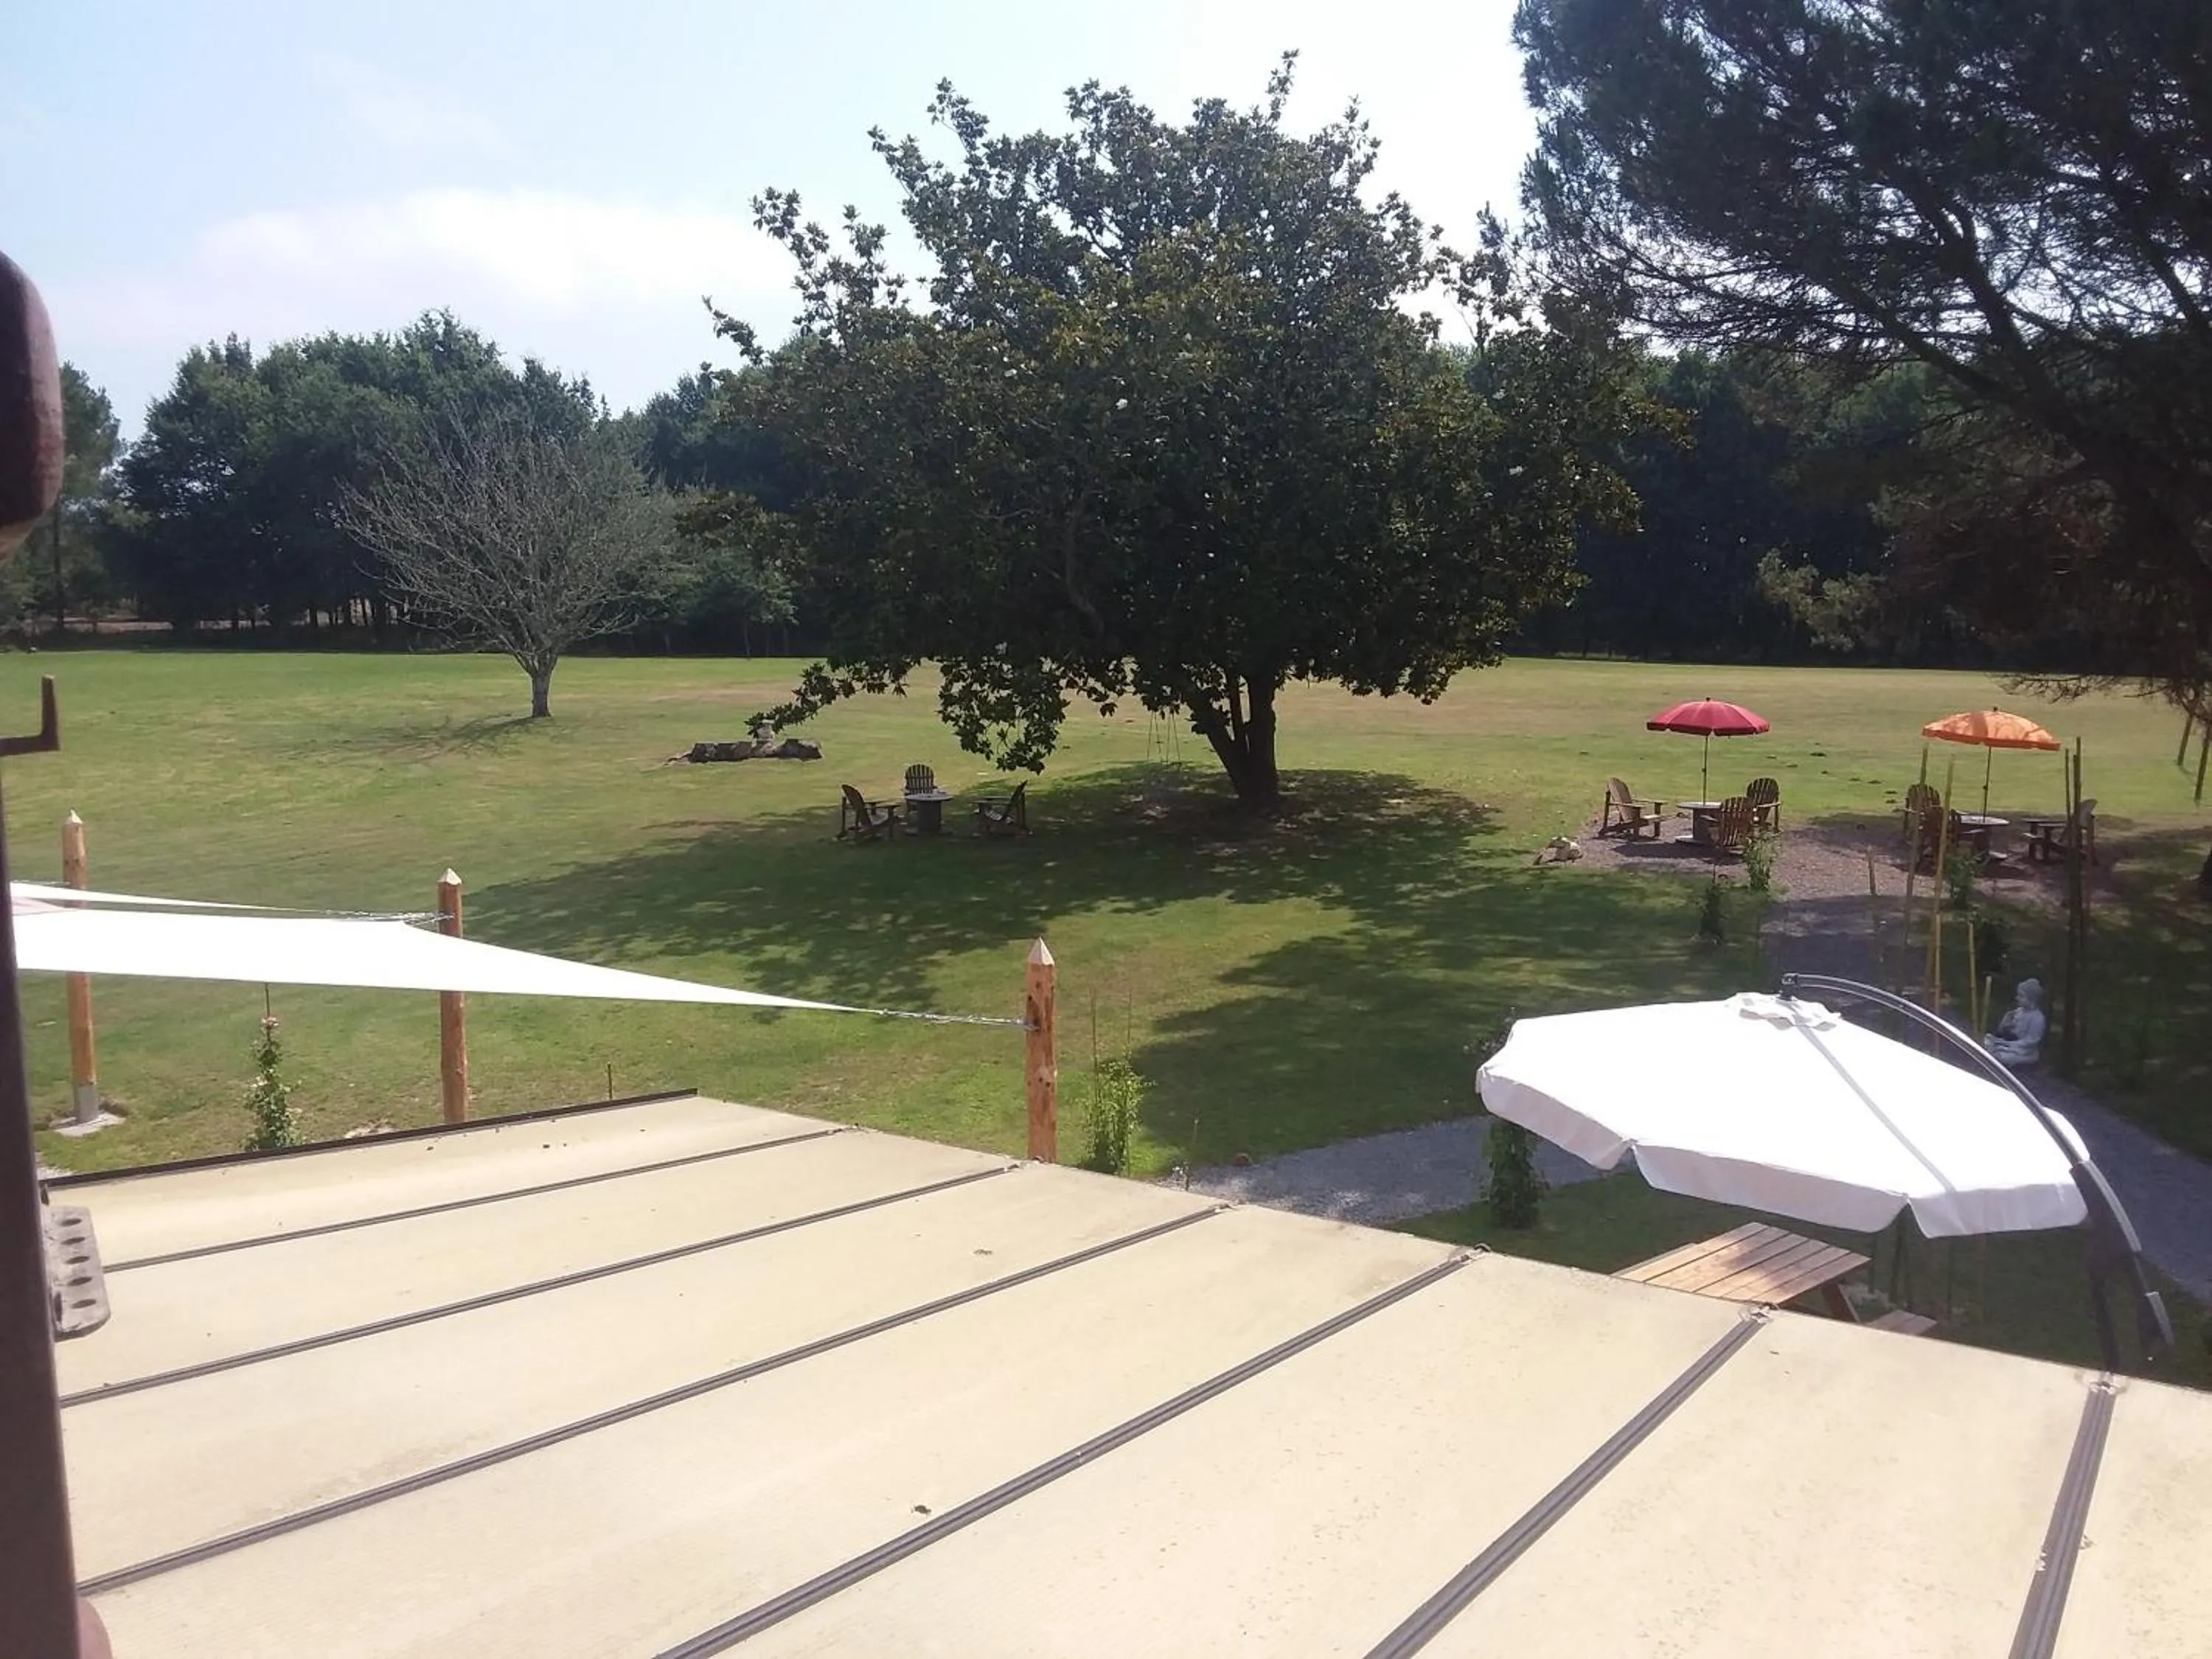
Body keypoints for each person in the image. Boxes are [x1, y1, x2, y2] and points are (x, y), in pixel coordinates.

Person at [1985, 977, 2047, 1067]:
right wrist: (2006, 1024)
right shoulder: (2018, 1011)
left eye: (2022, 996)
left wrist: (2008, 1045)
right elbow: (2004, 1031)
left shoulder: (2038, 1018)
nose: (2018, 998)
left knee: (2003, 1056)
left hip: (2024, 1051)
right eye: (2018, 995)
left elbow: (2030, 1041)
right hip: (2010, 1042)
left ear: (2032, 1000)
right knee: (1988, 1039)